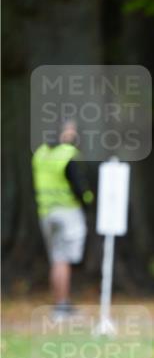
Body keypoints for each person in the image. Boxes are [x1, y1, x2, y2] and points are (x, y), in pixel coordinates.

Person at [32, 121, 92, 320]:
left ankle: (60, 303)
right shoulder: (67, 154)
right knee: (64, 260)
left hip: (46, 213)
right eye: (70, 129)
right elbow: (78, 185)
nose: (72, 133)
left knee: (57, 259)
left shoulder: (40, 153)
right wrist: (88, 201)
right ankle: (62, 306)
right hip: (67, 212)